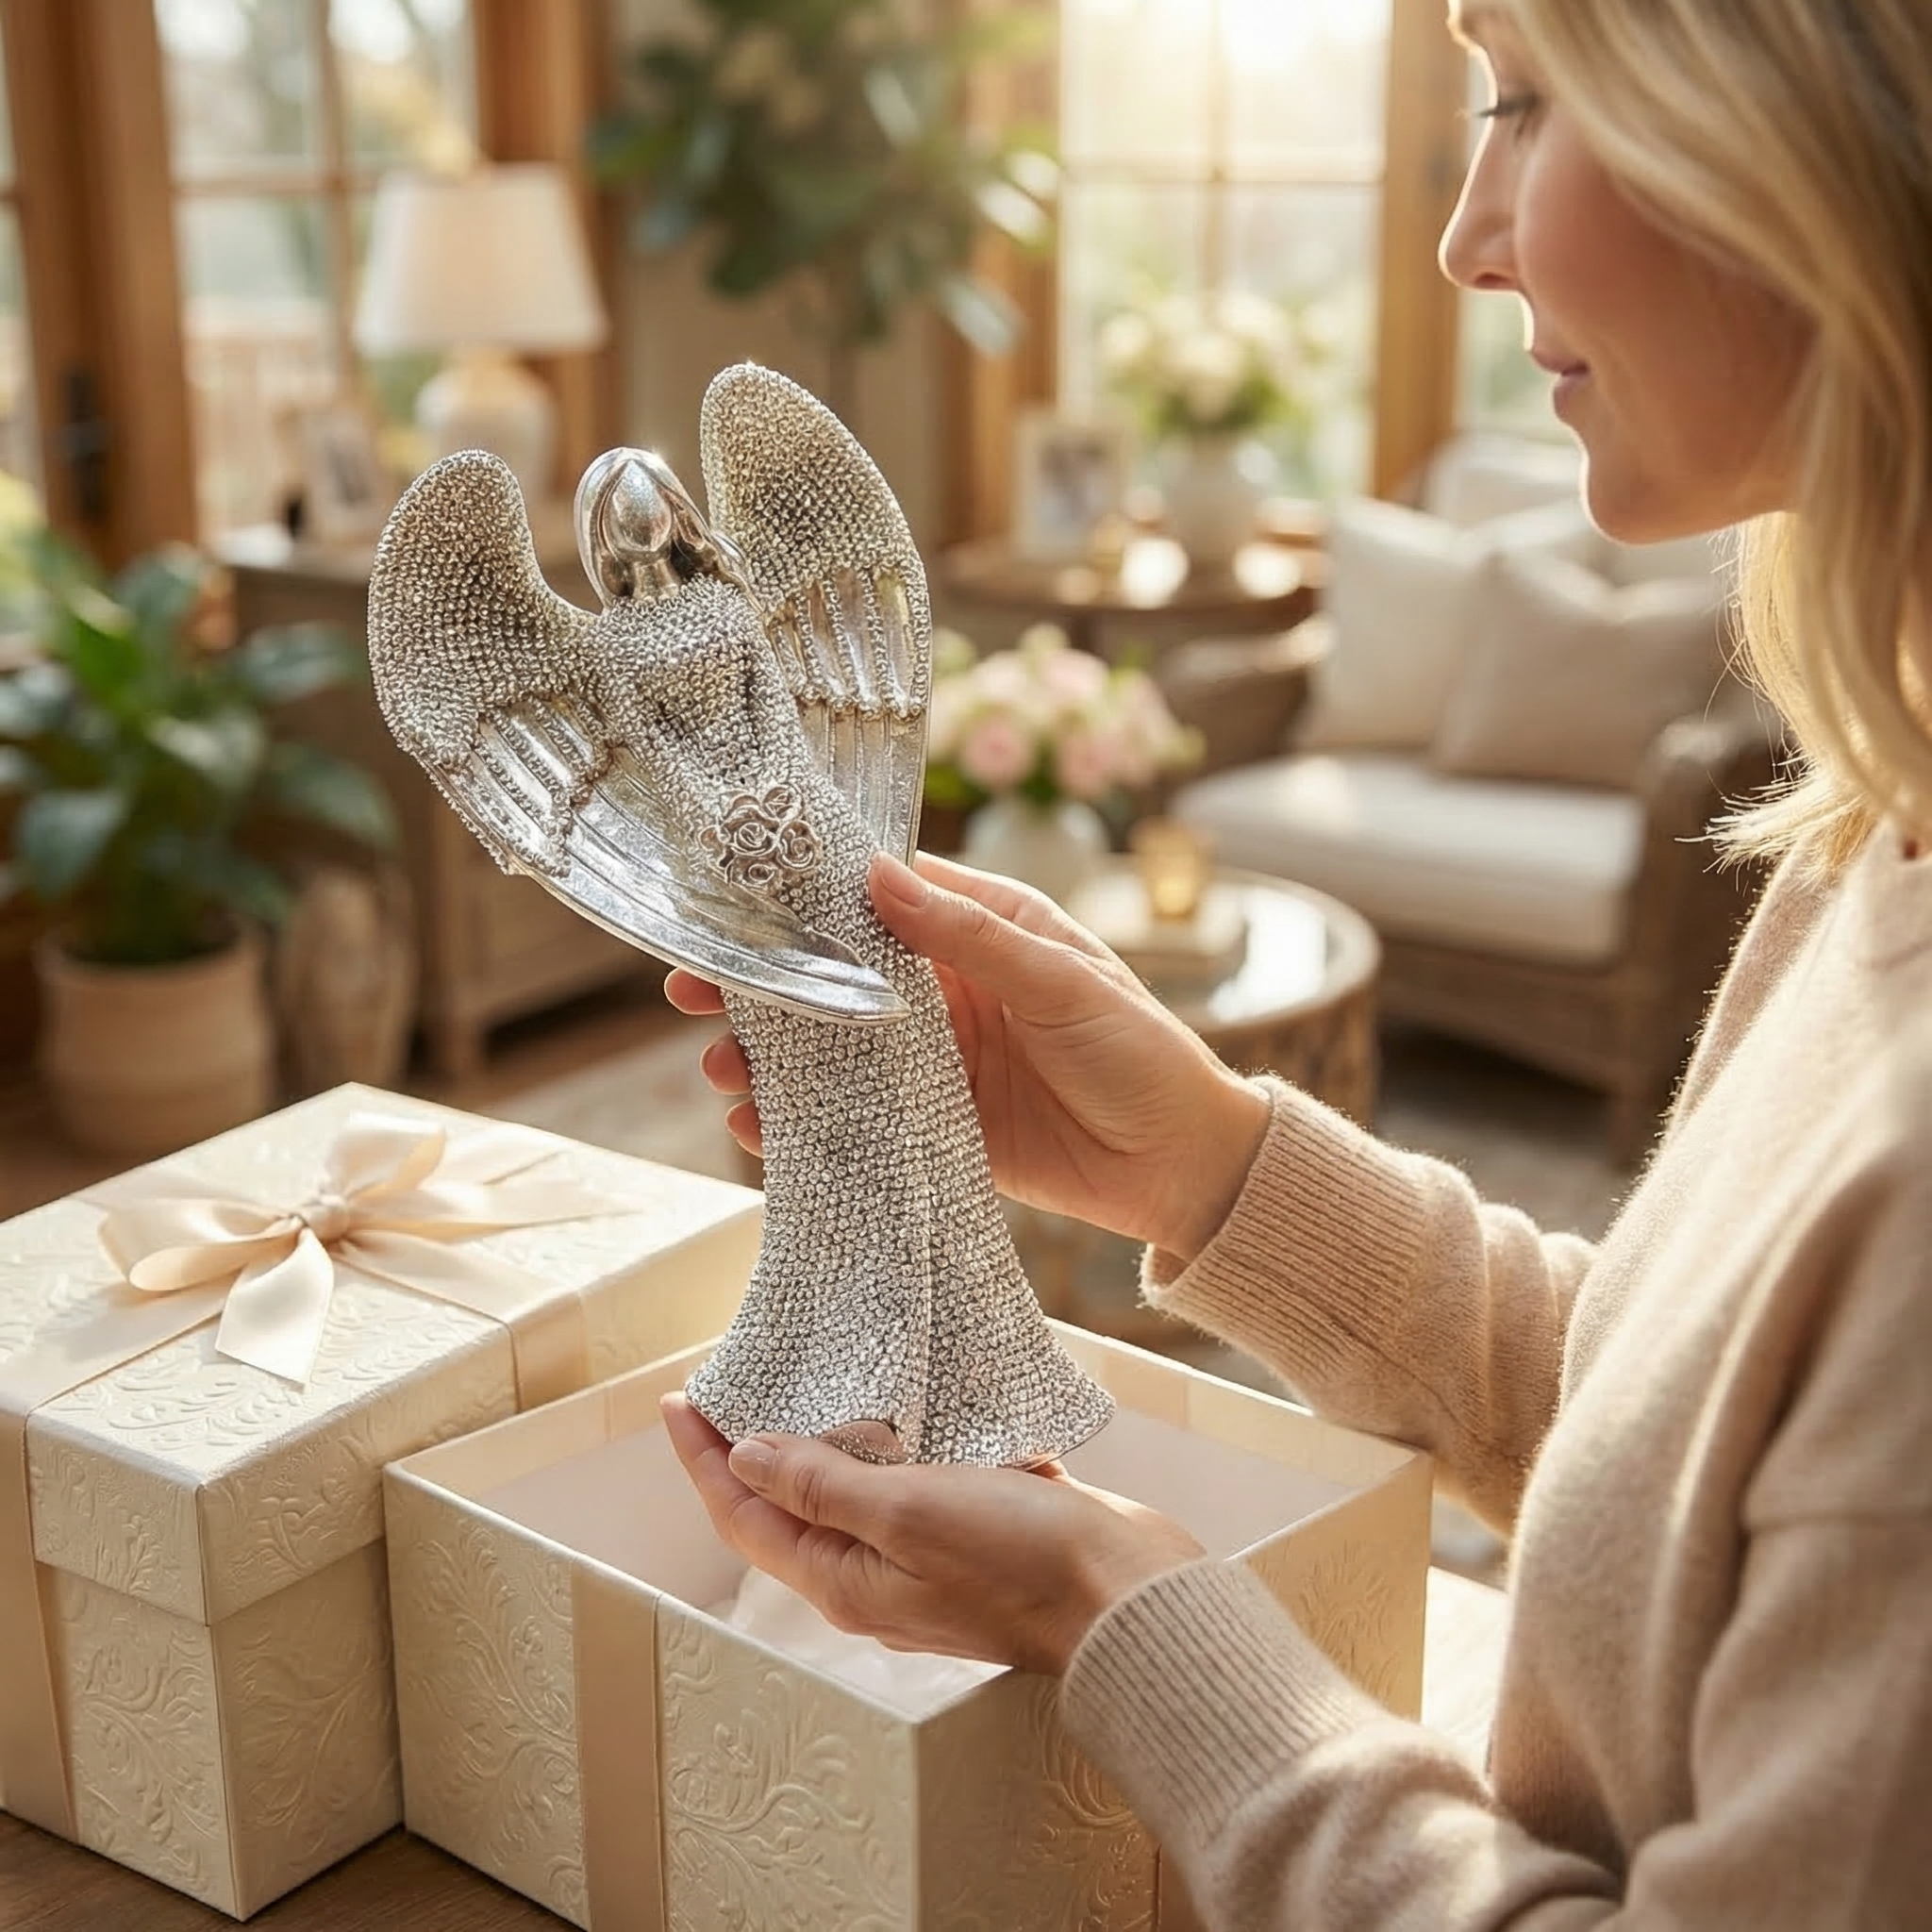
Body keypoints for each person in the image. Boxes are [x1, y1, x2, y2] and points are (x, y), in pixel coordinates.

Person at [660, 0, 1932, 1920]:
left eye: (1519, 99)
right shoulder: (1880, 827)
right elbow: (1696, 1426)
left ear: (1810, 122)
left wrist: (1121, 1611)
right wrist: (1200, 1157)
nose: (1462, 236)